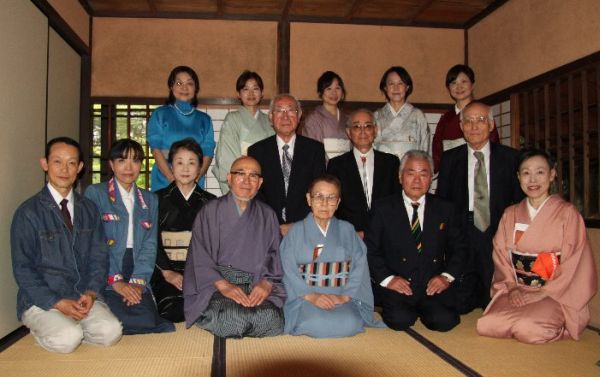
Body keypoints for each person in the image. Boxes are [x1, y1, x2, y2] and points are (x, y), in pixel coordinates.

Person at [11, 137, 122, 353]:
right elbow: (22, 269)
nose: (65, 169)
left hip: (81, 296)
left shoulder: (88, 208)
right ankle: (49, 327)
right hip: (42, 300)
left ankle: (73, 325)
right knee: (68, 339)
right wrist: (57, 302)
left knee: (112, 332)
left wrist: (90, 294)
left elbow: (99, 257)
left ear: (80, 167)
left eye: (71, 163)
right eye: (57, 162)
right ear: (45, 164)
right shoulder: (28, 212)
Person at [477, 149, 597, 343]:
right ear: (518, 177)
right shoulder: (511, 214)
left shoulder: (568, 214)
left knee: (529, 329)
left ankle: (556, 322)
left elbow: (576, 260)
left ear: (552, 174)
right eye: (526, 173)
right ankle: (528, 314)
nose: (532, 180)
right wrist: (512, 288)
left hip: (555, 291)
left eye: (540, 172)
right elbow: (500, 255)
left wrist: (544, 292)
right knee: (487, 324)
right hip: (517, 288)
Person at [365, 150, 467, 331]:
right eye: (411, 173)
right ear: (400, 177)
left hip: (432, 283)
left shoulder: (446, 208)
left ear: (431, 178)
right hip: (399, 283)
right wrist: (388, 279)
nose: (417, 180)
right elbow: (371, 249)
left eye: (424, 174)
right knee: (399, 320)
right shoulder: (383, 208)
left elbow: (459, 248)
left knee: (444, 322)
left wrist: (446, 277)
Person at [184, 156, 285, 338]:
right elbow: (199, 256)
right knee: (232, 318)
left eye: (253, 176)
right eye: (240, 174)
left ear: (260, 182)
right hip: (217, 286)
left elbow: (275, 255)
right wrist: (224, 285)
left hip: (254, 284)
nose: (247, 181)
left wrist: (266, 283)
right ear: (229, 178)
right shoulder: (210, 211)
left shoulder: (268, 215)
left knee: (272, 318)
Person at [437, 101, 523, 314]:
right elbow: (442, 201)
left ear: (492, 125)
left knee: (495, 304)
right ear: (461, 126)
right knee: (456, 305)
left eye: (481, 120)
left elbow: (519, 201)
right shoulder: (450, 158)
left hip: (498, 229)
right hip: (463, 229)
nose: (474, 126)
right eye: (469, 121)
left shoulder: (510, 157)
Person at [85, 139, 175, 334]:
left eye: (135, 161)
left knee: (148, 321)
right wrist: (116, 281)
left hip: (136, 268)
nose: (128, 167)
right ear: (111, 164)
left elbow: (150, 245)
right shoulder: (96, 194)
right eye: (122, 160)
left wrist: (137, 283)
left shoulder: (149, 199)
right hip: (106, 267)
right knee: (117, 322)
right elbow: (95, 244)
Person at [151, 138, 216, 323]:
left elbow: (215, 245)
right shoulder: (157, 200)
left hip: (199, 273)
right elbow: (150, 240)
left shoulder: (211, 203)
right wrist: (167, 272)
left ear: (200, 169)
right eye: (179, 162)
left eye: (191, 163)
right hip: (167, 273)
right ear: (171, 166)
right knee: (172, 311)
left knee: (214, 305)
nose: (185, 168)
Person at [248, 93, 326, 236]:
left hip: (306, 228)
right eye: (279, 111)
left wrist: (297, 225)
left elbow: (318, 190)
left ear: (299, 115)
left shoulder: (315, 149)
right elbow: (255, 192)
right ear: (271, 117)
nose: (285, 116)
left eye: (290, 110)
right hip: (267, 228)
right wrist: (275, 224)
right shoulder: (256, 151)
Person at [327, 109, 401, 238]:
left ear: (375, 130)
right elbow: (333, 205)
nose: (362, 131)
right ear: (349, 132)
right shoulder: (336, 165)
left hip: (385, 235)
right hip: (350, 235)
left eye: (368, 126)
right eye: (356, 127)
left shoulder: (391, 163)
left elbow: (397, 201)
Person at [147, 65, 215, 191]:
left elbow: (208, 152)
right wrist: (171, 178)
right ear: (171, 87)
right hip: (164, 179)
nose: (184, 87)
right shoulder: (160, 114)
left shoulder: (205, 119)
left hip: (194, 180)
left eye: (189, 83)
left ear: (196, 88)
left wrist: (195, 179)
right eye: (179, 83)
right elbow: (155, 149)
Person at [212, 70, 274, 194]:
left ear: (261, 93)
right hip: (240, 182)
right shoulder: (232, 119)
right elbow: (227, 156)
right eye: (245, 89)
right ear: (238, 94)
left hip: (263, 182)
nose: (251, 93)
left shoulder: (268, 121)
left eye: (255, 89)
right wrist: (245, 179)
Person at [431, 65, 500, 172]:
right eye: (454, 83)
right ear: (448, 88)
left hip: (479, 169)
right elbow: (437, 151)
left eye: (464, 82)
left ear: (472, 85)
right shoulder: (446, 118)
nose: (459, 87)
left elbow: (494, 144)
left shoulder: (483, 113)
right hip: (451, 170)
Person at [374, 66, 430, 159]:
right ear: (385, 88)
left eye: (400, 83)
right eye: (391, 84)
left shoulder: (417, 115)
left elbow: (425, 146)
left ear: (407, 87)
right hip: (384, 169)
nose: (396, 88)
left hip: (411, 170)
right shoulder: (376, 116)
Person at [301, 71, 350, 159]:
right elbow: (312, 151)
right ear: (321, 92)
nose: (334, 93)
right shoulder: (313, 119)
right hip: (324, 169)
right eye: (328, 89)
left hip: (345, 168)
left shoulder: (347, 119)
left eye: (337, 88)